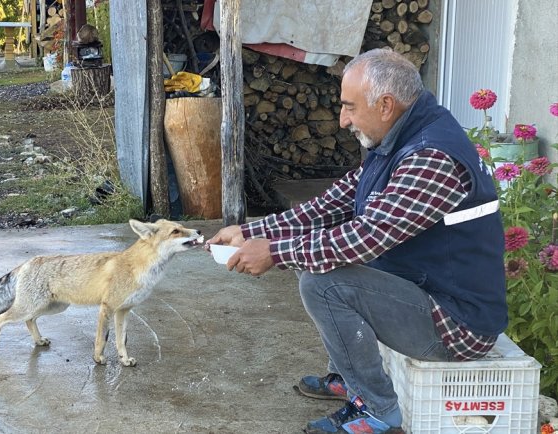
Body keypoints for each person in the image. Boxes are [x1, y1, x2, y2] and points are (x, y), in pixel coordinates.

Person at [206, 48, 507, 434]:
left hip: (457, 325)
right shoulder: (403, 131)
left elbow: (364, 238)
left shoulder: (430, 156)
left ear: (385, 105)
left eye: (349, 106)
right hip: (426, 290)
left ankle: (378, 410)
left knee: (324, 282)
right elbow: (342, 198)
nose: (343, 119)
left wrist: (275, 252)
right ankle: (348, 377)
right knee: (324, 264)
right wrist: (255, 231)